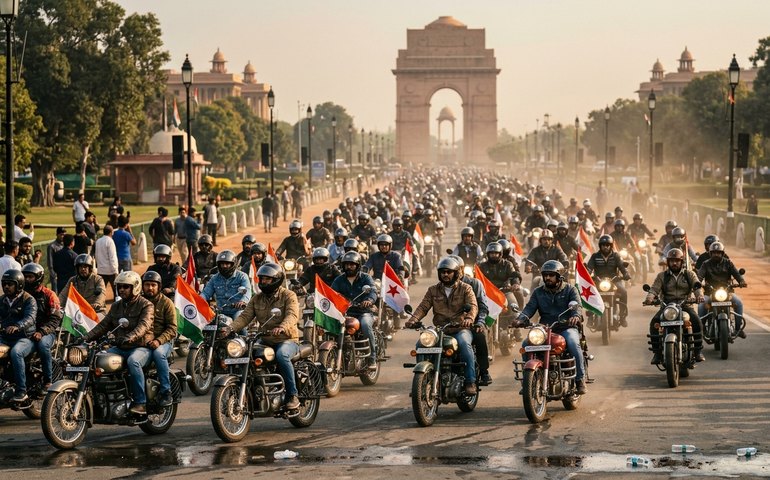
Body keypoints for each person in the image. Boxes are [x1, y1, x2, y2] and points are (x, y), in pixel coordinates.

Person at [81, 271, 154, 415]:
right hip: (121, 347)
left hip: (140, 347)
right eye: (120, 287)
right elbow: (104, 326)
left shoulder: (146, 305)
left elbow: (144, 326)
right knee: (97, 358)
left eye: (126, 287)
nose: (122, 290)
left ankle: (140, 402)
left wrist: (130, 337)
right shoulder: (116, 306)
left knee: (133, 361)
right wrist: (85, 338)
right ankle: (99, 399)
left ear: (135, 287)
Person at [405, 256, 480, 395]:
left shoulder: (466, 288)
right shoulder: (433, 290)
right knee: (421, 344)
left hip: (460, 328)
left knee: (464, 344)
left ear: (456, 273)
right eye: (443, 272)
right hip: (440, 329)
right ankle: (422, 380)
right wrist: (413, 319)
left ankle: (470, 381)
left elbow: (473, 306)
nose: (445, 274)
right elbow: (423, 307)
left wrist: (469, 318)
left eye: (449, 272)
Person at [232, 262, 301, 410]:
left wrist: (282, 327)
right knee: (245, 353)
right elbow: (244, 317)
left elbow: (292, 315)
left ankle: (292, 395)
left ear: (276, 279)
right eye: (261, 278)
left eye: (267, 279)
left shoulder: (289, 295)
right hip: (265, 340)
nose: (263, 282)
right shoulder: (257, 298)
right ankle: (254, 391)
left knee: (282, 355)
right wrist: (229, 328)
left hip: (287, 340)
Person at [516, 260, 588, 395]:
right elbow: (529, 309)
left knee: (573, 342)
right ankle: (528, 381)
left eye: (551, 275)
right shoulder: (538, 292)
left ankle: (580, 379)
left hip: (565, 327)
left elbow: (577, 306)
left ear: (559, 276)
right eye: (545, 275)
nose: (547, 278)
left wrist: (575, 316)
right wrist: (520, 319)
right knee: (526, 344)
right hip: (545, 329)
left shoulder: (570, 290)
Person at [645, 248, 705, 364]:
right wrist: (649, 298)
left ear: (681, 261)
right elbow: (654, 289)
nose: (674, 263)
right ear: (668, 262)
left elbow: (697, 286)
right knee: (654, 323)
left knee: (697, 321)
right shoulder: (662, 276)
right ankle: (657, 354)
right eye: (672, 260)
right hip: (667, 307)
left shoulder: (689, 274)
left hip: (685, 305)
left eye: (677, 260)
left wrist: (699, 296)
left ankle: (698, 351)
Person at [331, 252, 379, 370]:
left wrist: (369, 300)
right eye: (346, 264)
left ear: (358, 265)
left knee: (365, 324)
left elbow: (373, 290)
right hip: (345, 313)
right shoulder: (339, 280)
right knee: (331, 326)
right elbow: (332, 293)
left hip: (363, 312)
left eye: (352, 265)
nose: (349, 267)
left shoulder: (365, 278)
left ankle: (372, 356)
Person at [21, 263, 62, 390]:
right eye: (25, 277)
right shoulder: (21, 295)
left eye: (30, 277)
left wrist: (42, 332)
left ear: (38, 277)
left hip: (46, 332)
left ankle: (48, 380)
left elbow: (55, 319)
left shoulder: (49, 295)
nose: (27, 279)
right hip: (26, 332)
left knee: (43, 345)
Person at [452, 255, 492, 386]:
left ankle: (484, 371)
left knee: (480, 336)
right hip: (451, 324)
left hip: (472, 322)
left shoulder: (475, 284)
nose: (449, 273)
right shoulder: (443, 286)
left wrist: (480, 322)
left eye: (453, 270)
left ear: (461, 270)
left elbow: (483, 306)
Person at [0, 269, 38, 402]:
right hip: (5, 337)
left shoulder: (29, 299)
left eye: (10, 284)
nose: (6, 287)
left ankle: (22, 391)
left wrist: (17, 326)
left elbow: (30, 318)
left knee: (16, 353)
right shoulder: (2, 300)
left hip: (25, 337)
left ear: (19, 285)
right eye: (4, 283)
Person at [141, 270, 177, 407]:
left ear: (159, 287)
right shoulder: (139, 301)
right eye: (147, 285)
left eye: (153, 285)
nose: (150, 288)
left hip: (163, 341)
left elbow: (173, 329)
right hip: (143, 341)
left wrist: (158, 341)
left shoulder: (166, 303)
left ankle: (165, 391)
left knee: (158, 353)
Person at [697, 242, 747, 338]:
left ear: (722, 253)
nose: (716, 254)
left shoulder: (728, 263)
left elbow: (736, 273)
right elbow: (699, 276)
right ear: (710, 253)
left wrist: (741, 281)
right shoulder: (705, 264)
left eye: (718, 253)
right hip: (710, 292)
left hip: (727, 292)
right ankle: (702, 328)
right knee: (702, 305)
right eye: (714, 252)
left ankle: (738, 329)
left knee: (739, 303)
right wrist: (697, 283)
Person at [585, 235, 631, 327]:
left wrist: (625, 274)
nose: (605, 247)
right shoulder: (595, 256)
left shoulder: (616, 256)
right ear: (600, 246)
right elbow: (589, 268)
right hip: (598, 280)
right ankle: (590, 317)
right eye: (603, 245)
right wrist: (587, 273)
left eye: (607, 245)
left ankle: (622, 317)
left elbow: (622, 267)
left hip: (614, 280)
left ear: (611, 246)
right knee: (589, 292)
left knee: (624, 291)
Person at [201, 250, 252, 321]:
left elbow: (247, 291)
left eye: (227, 264)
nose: (224, 266)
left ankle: (244, 332)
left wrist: (243, 301)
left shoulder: (242, 276)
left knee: (239, 321)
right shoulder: (214, 278)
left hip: (237, 310)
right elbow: (206, 293)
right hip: (220, 311)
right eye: (222, 264)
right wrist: (199, 300)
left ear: (233, 264)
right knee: (207, 323)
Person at [95, 225, 119, 298]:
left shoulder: (98, 241)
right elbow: (112, 257)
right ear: (111, 232)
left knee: (101, 291)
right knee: (116, 291)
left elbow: (97, 255)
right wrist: (115, 270)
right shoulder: (110, 241)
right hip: (110, 270)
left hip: (101, 270)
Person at [47, 227, 67, 293]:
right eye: (61, 234)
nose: (63, 236)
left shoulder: (66, 245)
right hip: (56, 274)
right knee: (55, 292)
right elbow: (50, 262)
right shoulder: (52, 246)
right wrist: (53, 274)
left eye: (64, 235)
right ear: (57, 234)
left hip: (64, 273)